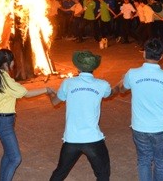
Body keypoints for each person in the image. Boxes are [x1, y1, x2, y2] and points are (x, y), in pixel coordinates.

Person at [47, 50, 116, 181]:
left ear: (78, 67)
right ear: (94, 67)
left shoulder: (68, 83)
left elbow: (55, 102)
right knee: (103, 175)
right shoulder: (102, 84)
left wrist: (50, 93)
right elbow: (110, 93)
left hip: (71, 139)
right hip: (93, 139)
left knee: (60, 173)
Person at [0, 49, 49, 181]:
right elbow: (27, 93)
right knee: (15, 157)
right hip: (4, 123)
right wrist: (46, 89)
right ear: (7, 63)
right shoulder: (8, 81)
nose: (14, 62)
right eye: (12, 60)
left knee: (8, 154)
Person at [116, 38, 163, 181]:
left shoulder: (132, 73)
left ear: (144, 54)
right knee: (161, 163)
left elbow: (123, 89)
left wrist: (121, 81)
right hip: (160, 127)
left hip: (140, 127)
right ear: (161, 56)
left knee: (144, 161)